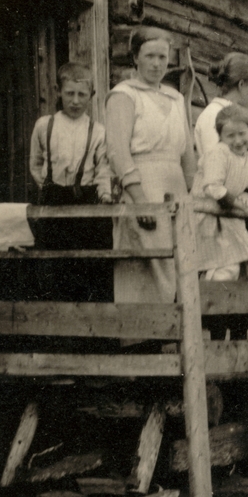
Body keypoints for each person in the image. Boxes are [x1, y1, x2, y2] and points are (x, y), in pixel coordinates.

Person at [106, 26, 196, 305]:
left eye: (162, 56)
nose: (157, 64)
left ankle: (176, 342)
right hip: (143, 192)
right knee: (147, 268)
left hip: (176, 191)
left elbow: (187, 153)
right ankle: (141, 341)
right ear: (135, 57)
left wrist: (191, 194)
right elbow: (118, 151)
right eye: (150, 56)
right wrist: (141, 200)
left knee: (180, 265)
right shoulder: (124, 95)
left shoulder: (176, 98)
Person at [27, 61, 113, 302]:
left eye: (82, 95)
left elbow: (103, 169)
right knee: (52, 267)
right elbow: (35, 163)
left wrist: (104, 195)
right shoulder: (45, 125)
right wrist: (47, 185)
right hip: (53, 200)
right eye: (70, 94)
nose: (75, 101)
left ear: (91, 96)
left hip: (84, 200)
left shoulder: (98, 131)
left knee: (85, 268)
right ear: (58, 92)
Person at [194, 52, 248, 278]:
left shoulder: (242, 118)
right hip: (224, 211)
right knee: (227, 279)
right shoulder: (215, 116)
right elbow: (220, 167)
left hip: (245, 205)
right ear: (241, 84)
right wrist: (246, 198)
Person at [191, 104, 248, 281]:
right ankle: (204, 305)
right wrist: (246, 209)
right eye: (230, 135)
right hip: (205, 219)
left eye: (242, 133)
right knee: (218, 271)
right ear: (220, 136)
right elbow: (213, 188)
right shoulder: (218, 153)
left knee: (234, 271)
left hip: (230, 220)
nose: (238, 140)